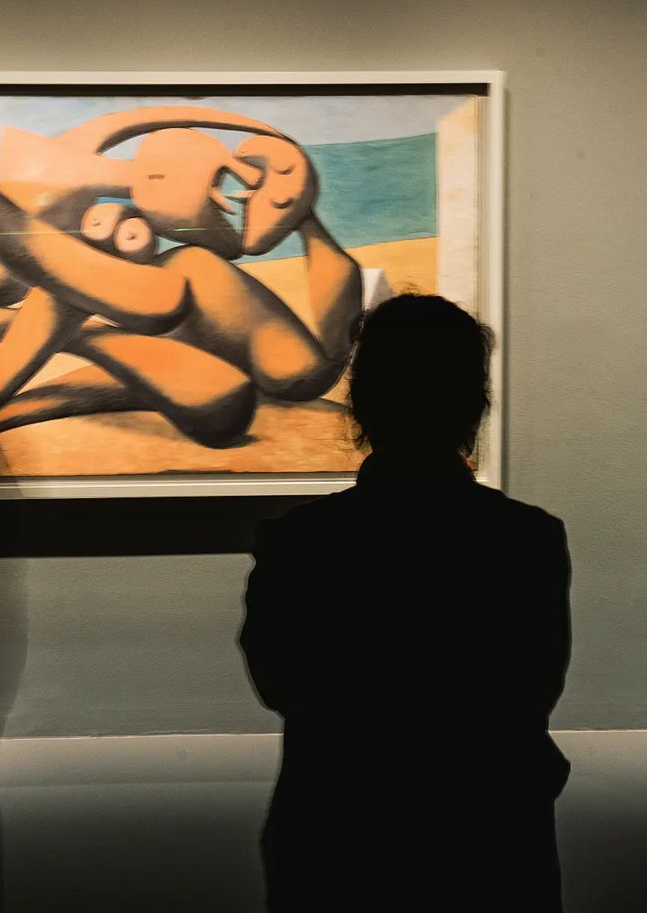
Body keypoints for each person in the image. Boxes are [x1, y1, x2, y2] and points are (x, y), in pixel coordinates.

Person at [241, 294, 572, 911]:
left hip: (336, 833)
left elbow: (281, 682)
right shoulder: (528, 538)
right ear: (473, 404)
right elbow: (532, 688)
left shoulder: (297, 542)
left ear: (363, 403)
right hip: (490, 835)